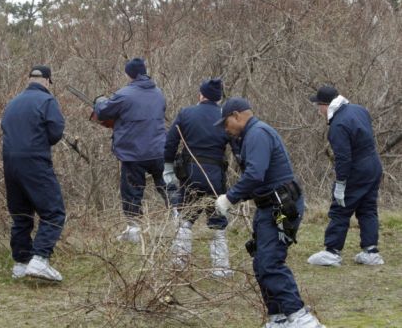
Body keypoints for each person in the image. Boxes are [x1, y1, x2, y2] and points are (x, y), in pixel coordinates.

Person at [215, 97, 325, 328]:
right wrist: (238, 196)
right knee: (260, 261)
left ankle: (301, 318)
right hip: (269, 206)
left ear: (236, 115)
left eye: (226, 123)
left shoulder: (257, 134)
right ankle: (279, 317)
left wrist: (230, 198)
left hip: (281, 208)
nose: (226, 129)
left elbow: (255, 174)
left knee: (270, 262)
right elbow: (259, 180)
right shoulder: (250, 135)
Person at [1, 65, 66, 281]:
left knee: (21, 215)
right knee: (54, 211)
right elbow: (56, 131)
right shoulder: (47, 101)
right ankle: (40, 259)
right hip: (35, 161)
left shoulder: (12, 103)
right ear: (47, 81)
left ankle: (21, 263)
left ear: (29, 80)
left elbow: (5, 129)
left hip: (10, 164)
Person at [307, 86, 384, 267]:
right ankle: (371, 252)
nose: (318, 110)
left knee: (341, 208)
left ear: (325, 105)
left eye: (318, 106)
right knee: (367, 208)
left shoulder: (338, 125)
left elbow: (343, 158)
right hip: (374, 165)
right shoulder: (359, 109)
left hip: (356, 169)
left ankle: (332, 251)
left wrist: (341, 183)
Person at [163, 78, 233, 277]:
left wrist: (168, 167)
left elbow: (170, 143)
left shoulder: (186, 113)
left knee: (185, 217)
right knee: (217, 219)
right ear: (219, 98)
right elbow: (237, 147)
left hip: (190, 174)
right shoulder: (225, 117)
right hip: (215, 177)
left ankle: (180, 262)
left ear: (201, 95)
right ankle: (221, 266)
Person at [94, 57, 167, 243]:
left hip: (134, 153)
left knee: (132, 191)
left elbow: (103, 112)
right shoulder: (159, 93)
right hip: (159, 150)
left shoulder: (125, 94)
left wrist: (99, 100)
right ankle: (180, 223)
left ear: (129, 74)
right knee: (166, 187)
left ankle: (134, 230)